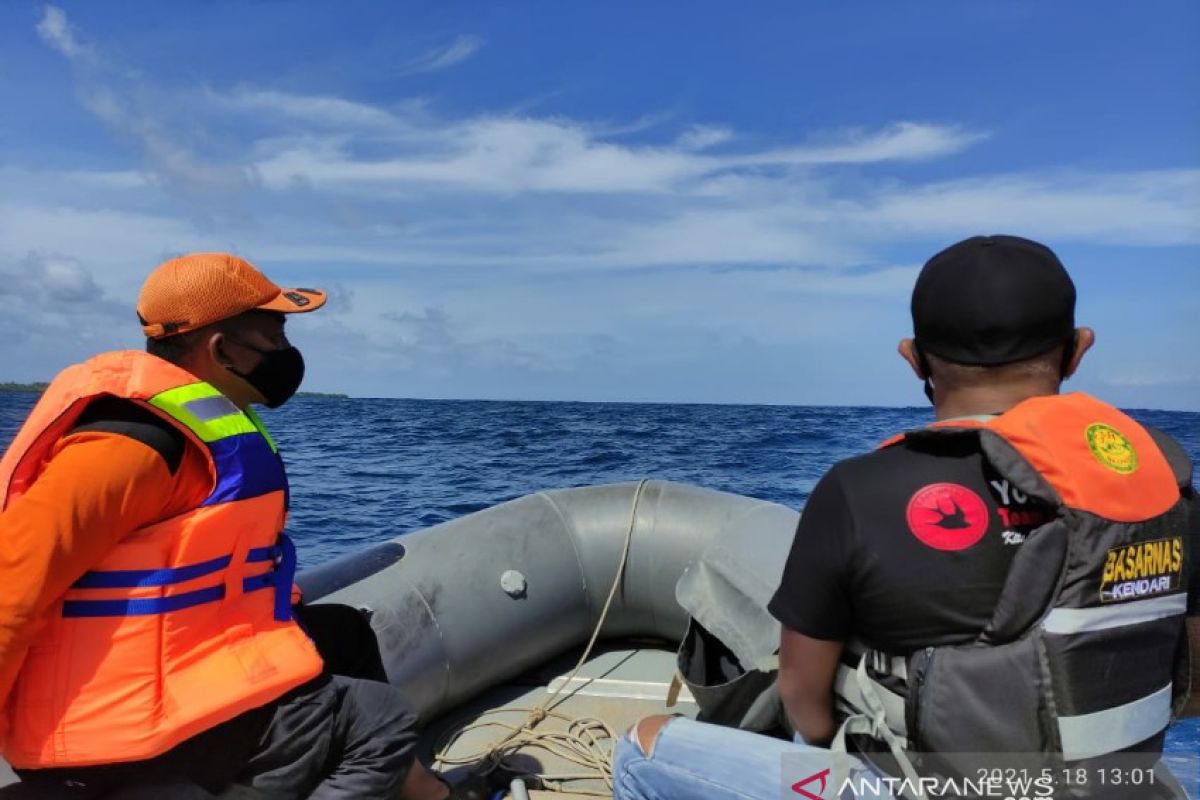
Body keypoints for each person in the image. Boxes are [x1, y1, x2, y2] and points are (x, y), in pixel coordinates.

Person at [612, 235, 1200, 800]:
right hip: (1113, 788)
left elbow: (805, 707)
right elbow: (1190, 689)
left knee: (643, 747)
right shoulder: (1161, 484)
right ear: (1078, 348)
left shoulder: (857, 490)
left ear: (913, 358)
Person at [0, 254, 501, 799]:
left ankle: (419, 790)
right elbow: (12, 584)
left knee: (342, 632)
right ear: (222, 351)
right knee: (378, 718)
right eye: (276, 336)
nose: (288, 354)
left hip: (170, 664)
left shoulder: (201, 428)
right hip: (111, 717)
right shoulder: (132, 447)